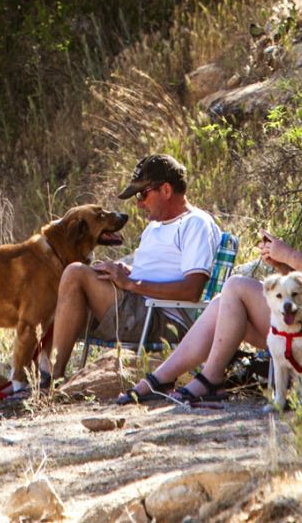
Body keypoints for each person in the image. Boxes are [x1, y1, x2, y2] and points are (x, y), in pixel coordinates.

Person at [113, 144, 302, 406]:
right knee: (223, 304)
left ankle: (209, 379)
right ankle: (161, 379)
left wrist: (288, 254)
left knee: (236, 286)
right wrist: (281, 264)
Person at [36, 153, 222, 389]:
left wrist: (131, 284)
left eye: (143, 194)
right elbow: (163, 271)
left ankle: (51, 379)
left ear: (166, 190)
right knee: (52, 288)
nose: (139, 203)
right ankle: (36, 374)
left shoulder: (196, 224)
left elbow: (192, 290)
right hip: (139, 305)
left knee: (75, 273)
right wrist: (127, 272)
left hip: (161, 317)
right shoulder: (155, 226)